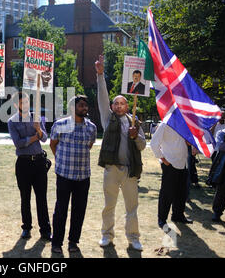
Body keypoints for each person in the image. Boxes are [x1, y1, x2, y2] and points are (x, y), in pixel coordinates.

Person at [95, 55, 146, 251]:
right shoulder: (108, 119)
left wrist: (135, 136)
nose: (118, 106)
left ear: (127, 106)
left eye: (122, 103)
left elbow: (142, 146)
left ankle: (133, 238)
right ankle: (106, 236)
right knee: (109, 206)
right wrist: (100, 75)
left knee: (131, 208)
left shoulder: (135, 123)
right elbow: (102, 97)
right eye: (115, 103)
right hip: (111, 170)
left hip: (130, 172)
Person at [49, 95, 97, 254]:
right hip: (64, 175)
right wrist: (62, 161)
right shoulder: (60, 125)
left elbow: (89, 146)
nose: (84, 108)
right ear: (73, 108)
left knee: (79, 210)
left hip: (83, 176)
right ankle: (56, 242)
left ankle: (73, 242)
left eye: (86, 105)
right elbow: (53, 144)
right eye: (81, 105)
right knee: (61, 209)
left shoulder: (91, 128)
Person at [7, 91, 51, 241]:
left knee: (41, 197)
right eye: (21, 102)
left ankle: (45, 230)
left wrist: (38, 129)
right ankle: (26, 228)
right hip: (23, 163)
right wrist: (34, 137)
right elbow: (18, 144)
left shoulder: (38, 118)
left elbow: (45, 138)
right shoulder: (12, 122)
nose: (25, 104)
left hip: (39, 162)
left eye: (26, 101)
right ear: (15, 104)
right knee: (25, 197)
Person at [150, 122, 194, 230]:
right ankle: (162, 219)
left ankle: (178, 216)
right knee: (167, 193)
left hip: (183, 163)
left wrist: (189, 142)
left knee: (181, 192)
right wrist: (163, 159)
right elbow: (153, 143)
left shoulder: (185, 124)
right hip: (170, 163)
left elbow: (187, 142)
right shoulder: (165, 125)